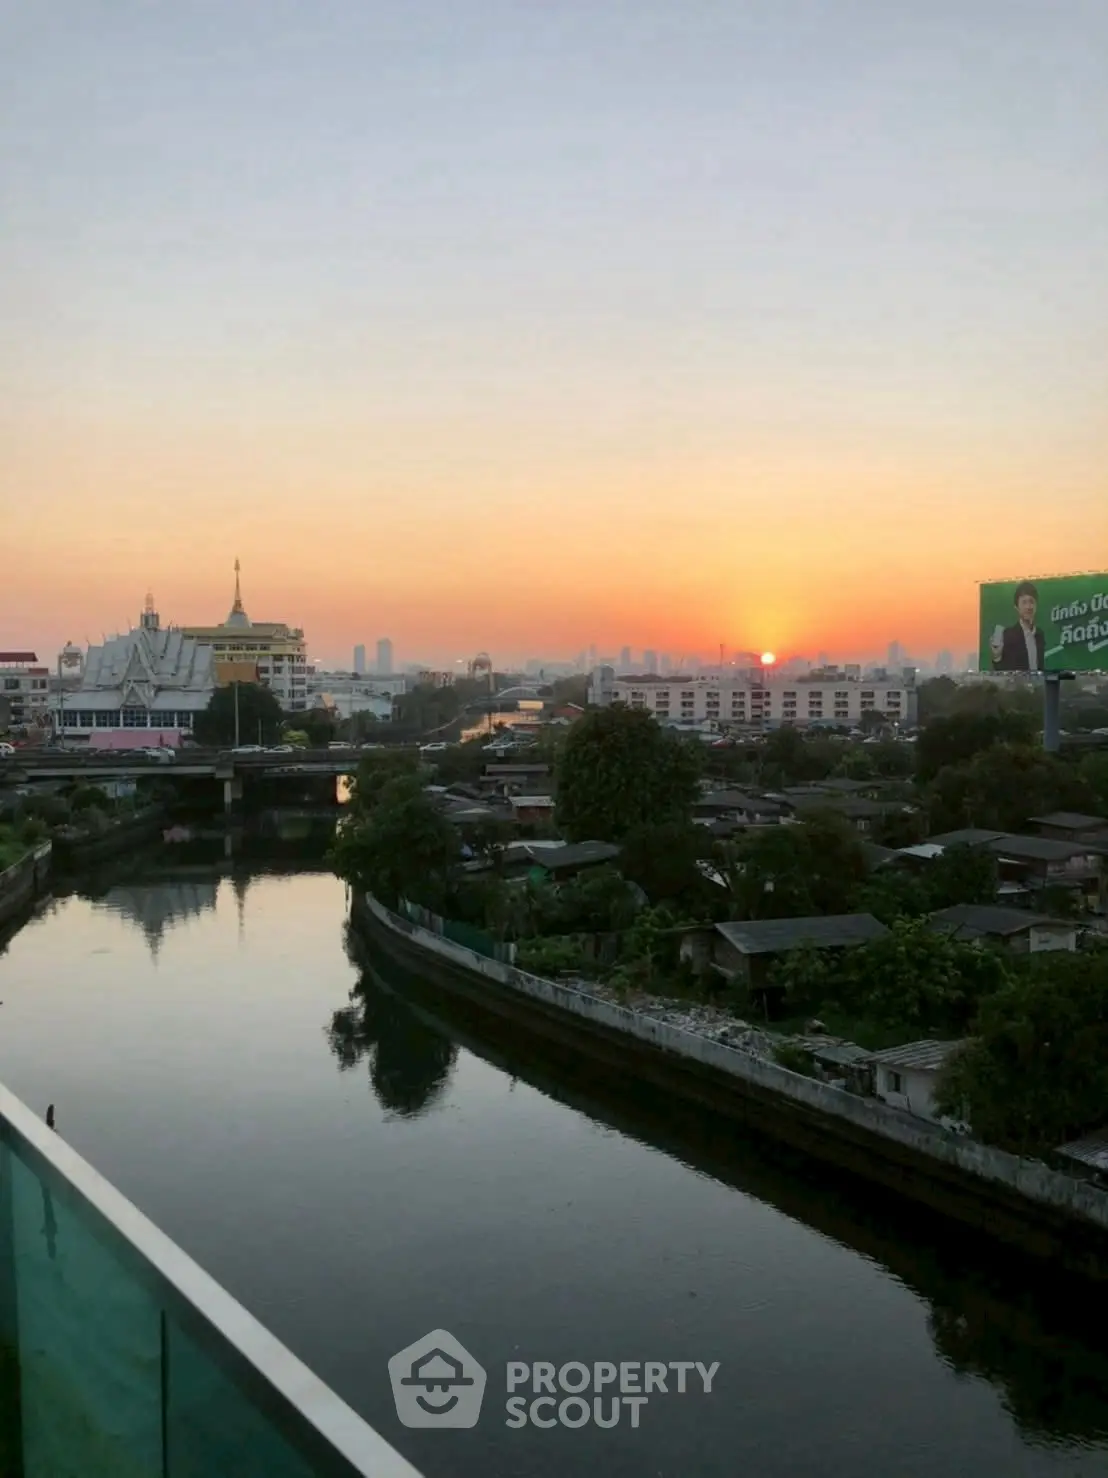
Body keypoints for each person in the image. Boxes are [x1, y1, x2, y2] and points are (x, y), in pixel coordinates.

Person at [990, 581, 1046, 671]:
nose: (1028, 606)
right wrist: (997, 657)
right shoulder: (1008, 636)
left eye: (1031, 601)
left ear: (1036, 605)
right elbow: (1002, 672)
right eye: (1024, 602)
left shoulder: (1040, 634)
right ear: (1016, 607)